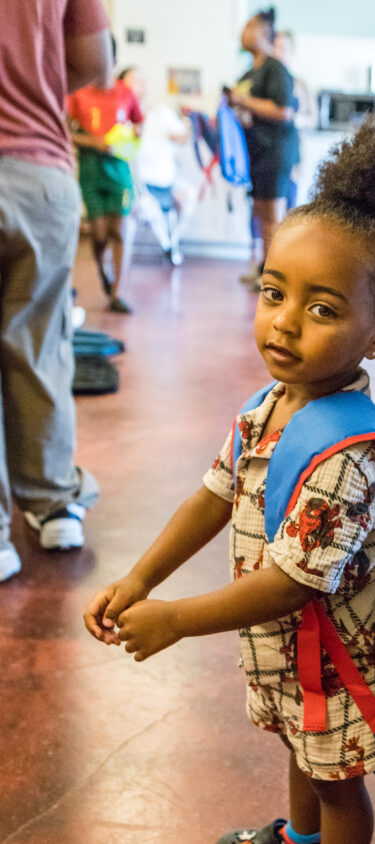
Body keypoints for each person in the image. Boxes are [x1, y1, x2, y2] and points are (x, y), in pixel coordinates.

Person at [83, 123, 375, 844]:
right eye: (273, 292)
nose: (286, 323)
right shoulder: (272, 403)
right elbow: (213, 495)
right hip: (290, 655)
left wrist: (174, 619)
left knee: (336, 782)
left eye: (324, 308)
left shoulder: (352, 457)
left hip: (334, 659)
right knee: (297, 750)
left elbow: (293, 583)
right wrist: (141, 575)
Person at [0, 0, 110, 581]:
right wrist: (33, 82)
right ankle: (52, 504)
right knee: (39, 344)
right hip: (39, 170)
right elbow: (95, 60)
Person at [67, 42, 144, 313]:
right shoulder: (78, 95)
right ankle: (103, 272)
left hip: (119, 171)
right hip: (90, 170)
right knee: (99, 235)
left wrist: (126, 141)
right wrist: (93, 141)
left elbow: (138, 126)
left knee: (120, 231)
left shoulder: (125, 94)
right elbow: (64, 132)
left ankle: (117, 293)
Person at [228, 7, 299, 287]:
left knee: (272, 217)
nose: (242, 33)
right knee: (260, 213)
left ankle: (275, 278)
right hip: (255, 152)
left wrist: (242, 102)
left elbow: (284, 111)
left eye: (248, 27)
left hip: (275, 151)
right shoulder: (249, 73)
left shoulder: (275, 68)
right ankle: (264, 269)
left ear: (263, 34)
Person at [118, 67, 197, 266]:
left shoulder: (160, 113)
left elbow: (181, 138)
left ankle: (171, 243)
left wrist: (188, 120)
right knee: (148, 209)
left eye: (141, 80)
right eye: (133, 80)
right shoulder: (121, 120)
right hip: (139, 187)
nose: (140, 85)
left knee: (189, 197)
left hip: (167, 181)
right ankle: (168, 246)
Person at [273, 29, 316, 209]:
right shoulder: (264, 83)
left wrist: (290, 119)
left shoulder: (300, 85)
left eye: (283, 48)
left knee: (290, 206)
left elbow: (312, 119)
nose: (278, 52)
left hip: (291, 155)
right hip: (266, 154)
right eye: (275, 47)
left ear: (291, 51)